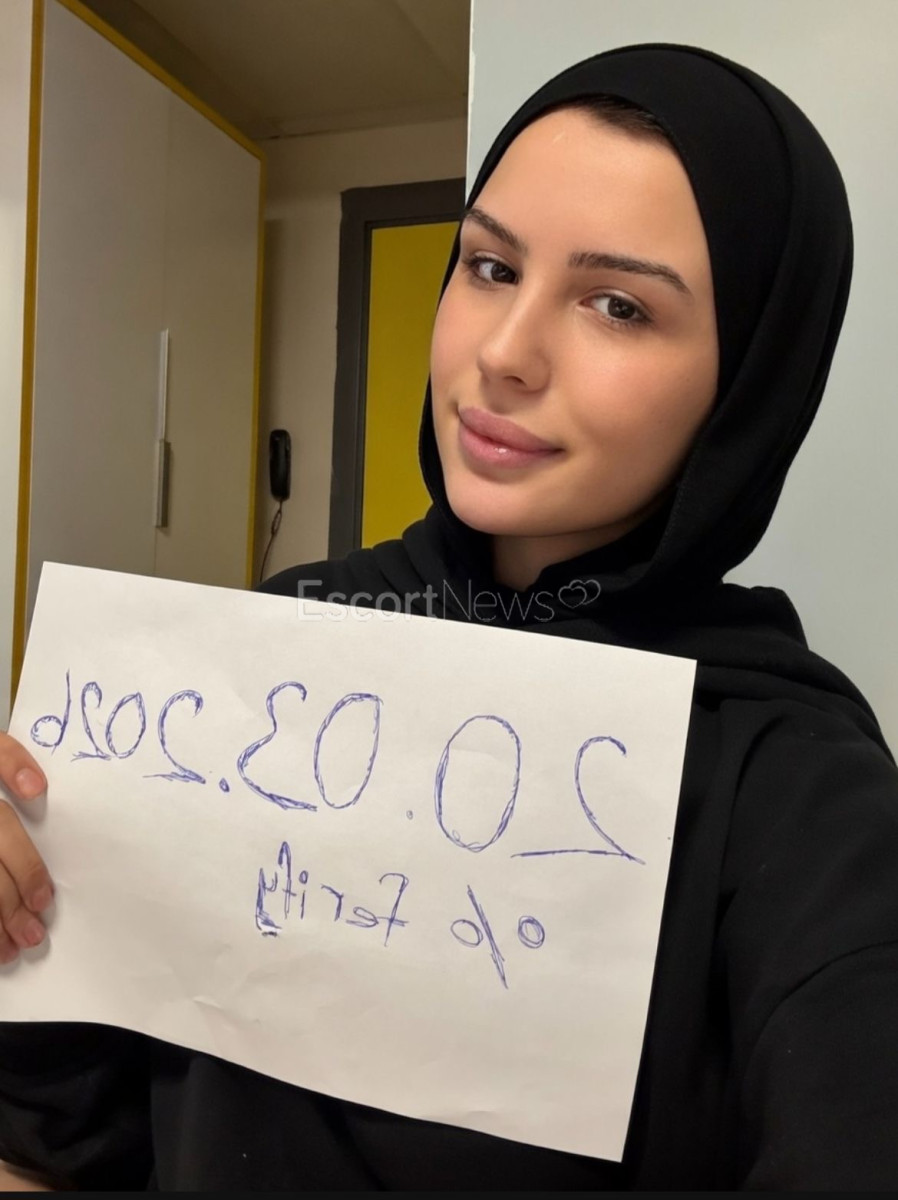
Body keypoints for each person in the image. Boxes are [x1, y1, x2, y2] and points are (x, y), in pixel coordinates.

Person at [1, 42, 898, 1191]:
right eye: (488, 266)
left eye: (618, 305)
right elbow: (77, 1131)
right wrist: (24, 914)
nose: (505, 354)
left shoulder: (796, 786)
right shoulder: (270, 656)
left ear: (750, 382)